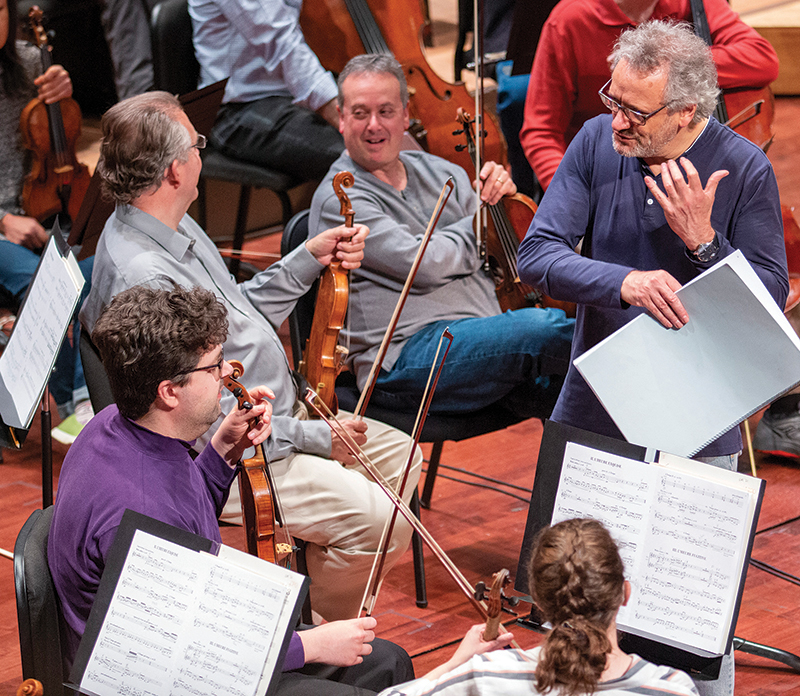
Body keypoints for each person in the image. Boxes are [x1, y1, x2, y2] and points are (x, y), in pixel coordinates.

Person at [518, 20, 788, 696]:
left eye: (634, 111)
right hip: (596, 411)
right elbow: (538, 256)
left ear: (687, 112)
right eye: (612, 98)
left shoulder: (744, 169)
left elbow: (770, 301)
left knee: (694, 625)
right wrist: (623, 282)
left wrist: (704, 244)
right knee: (570, 614)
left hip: (699, 422)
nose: (616, 119)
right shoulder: (593, 142)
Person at [79, 91, 421, 622]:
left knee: (402, 457)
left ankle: (307, 596)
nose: (202, 153)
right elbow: (195, 417)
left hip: (275, 414)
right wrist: (311, 438)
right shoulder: (143, 274)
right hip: (236, 448)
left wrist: (308, 258)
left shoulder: (172, 220)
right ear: (174, 170)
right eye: (196, 144)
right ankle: (318, 640)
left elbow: (241, 311)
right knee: (383, 518)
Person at [49, 284, 414, 694]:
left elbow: (185, 504)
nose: (227, 375)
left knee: (389, 662)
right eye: (214, 366)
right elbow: (186, 653)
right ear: (169, 392)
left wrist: (223, 449)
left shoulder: (114, 422)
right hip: (166, 673)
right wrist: (309, 645)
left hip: (193, 628)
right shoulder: (144, 510)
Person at [308, 54, 574, 419]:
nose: (374, 125)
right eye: (359, 113)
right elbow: (425, 264)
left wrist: (502, 203)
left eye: (386, 111)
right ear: (340, 118)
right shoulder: (340, 196)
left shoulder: (442, 171)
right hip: (407, 358)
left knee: (575, 389)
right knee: (548, 332)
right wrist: (483, 220)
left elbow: (491, 251)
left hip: (481, 339)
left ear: (405, 116)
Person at [377, 517, 698, 696]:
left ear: (540, 602)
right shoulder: (671, 689)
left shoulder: (487, 678)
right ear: (624, 593)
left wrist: (452, 664)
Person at [519, 0, 779, 191]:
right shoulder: (570, 20)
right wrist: (571, 196)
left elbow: (763, 59)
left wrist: (676, 65)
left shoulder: (693, 3)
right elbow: (541, 131)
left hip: (682, 170)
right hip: (606, 175)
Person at [0, 0, 94, 442]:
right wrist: (2, 221)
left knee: (93, 265)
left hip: (38, 204)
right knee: (47, 283)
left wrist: (63, 89)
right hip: (4, 223)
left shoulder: (31, 62)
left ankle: (85, 403)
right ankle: (76, 399)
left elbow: (60, 129)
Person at [189, 0, 344, 181]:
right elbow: (282, 43)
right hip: (236, 111)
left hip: (288, 91)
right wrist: (343, 116)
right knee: (363, 153)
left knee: (378, 135)